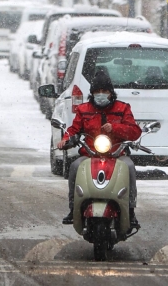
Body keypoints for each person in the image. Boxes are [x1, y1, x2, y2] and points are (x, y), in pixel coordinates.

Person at [55, 69, 142, 228]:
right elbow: (74, 129)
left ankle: (130, 209)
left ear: (111, 93)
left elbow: (135, 131)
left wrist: (115, 128)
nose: (100, 94)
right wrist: (66, 139)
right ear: (92, 93)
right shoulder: (84, 109)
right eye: (97, 91)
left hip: (117, 154)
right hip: (90, 154)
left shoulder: (123, 108)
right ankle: (73, 207)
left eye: (104, 91)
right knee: (75, 167)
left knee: (129, 167)